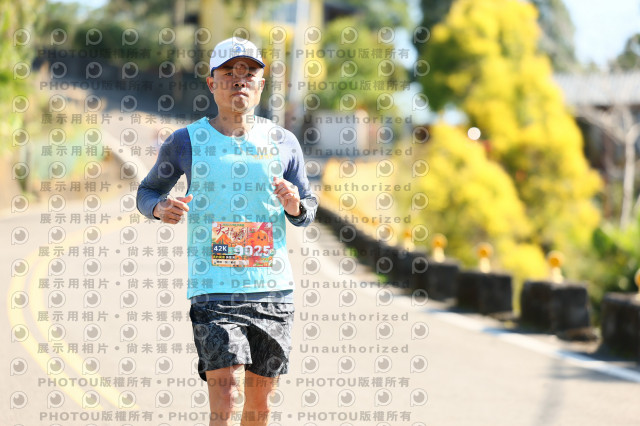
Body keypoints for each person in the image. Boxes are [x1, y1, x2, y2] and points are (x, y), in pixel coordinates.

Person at [136, 37, 318, 426]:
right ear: (211, 83)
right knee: (225, 396)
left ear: (261, 85)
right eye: (229, 72)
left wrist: (295, 207)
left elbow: (308, 205)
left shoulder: (283, 141)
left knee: (260, 407)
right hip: (213, 289)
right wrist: (159, 207)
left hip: (272, 291)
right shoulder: (185, 142)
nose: (239, 79)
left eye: (249, 73)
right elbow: (147, 191)